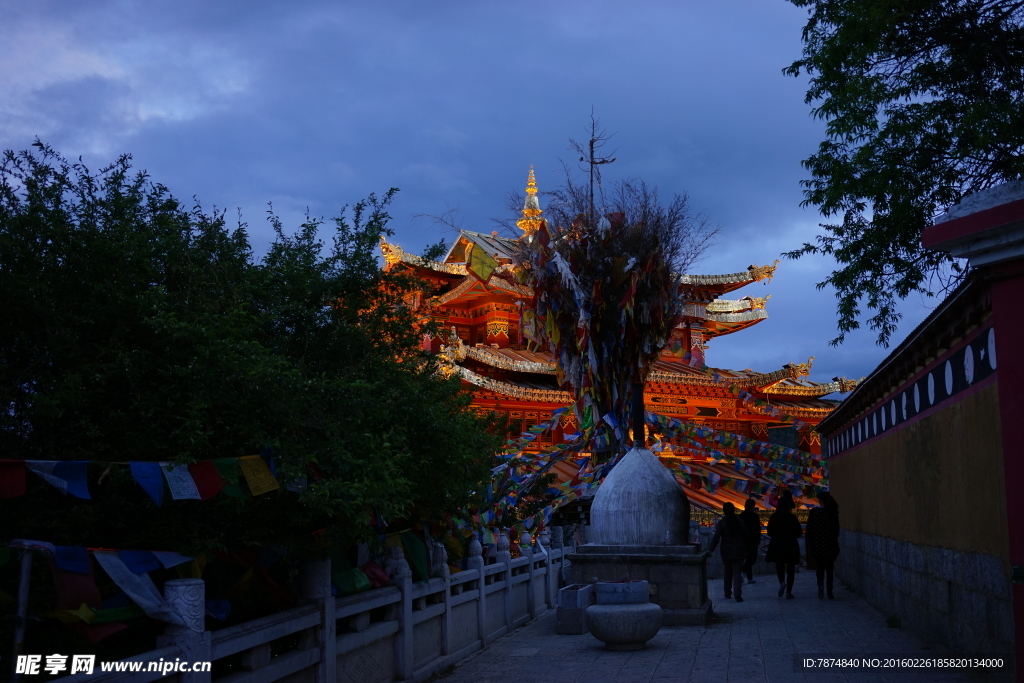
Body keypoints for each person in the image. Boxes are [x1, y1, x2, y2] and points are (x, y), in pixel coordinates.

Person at [708, 502, 750, 602]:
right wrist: (748, 548)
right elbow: (747, 536)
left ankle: (727, 592)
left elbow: (716, 537)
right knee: (737, 572)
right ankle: (737, 594)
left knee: (727, 572)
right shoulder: (740, 521)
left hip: (726, 551)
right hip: (739, 550)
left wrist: (710, 550)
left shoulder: (722, 522)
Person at [805, 491, 840, 599]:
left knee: (819, 568)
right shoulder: (833, 512)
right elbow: (836, 530)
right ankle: (830, 591)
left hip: (818, 545)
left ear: (820, 500)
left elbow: (809, 529)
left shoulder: (815, 512)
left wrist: (812, 543)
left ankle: (820, 585)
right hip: (830, 544)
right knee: (829, 568)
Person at [765, 497, 802, 599]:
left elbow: (769, 532)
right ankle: (789, 592)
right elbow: (799, 533)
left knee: (779, 566)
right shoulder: (792, 517)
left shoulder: (774, 517)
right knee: (790, 569)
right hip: (790, 545)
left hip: (777, 545)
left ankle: (782, 582)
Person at [738, 498, 762, 584]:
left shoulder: (741, 516)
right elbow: (757, 529)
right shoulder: (755, 516)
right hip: (752, 540)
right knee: (752, 559)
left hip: (743, 541)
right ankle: (743, 571)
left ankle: (749, 577)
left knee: (748, 558)